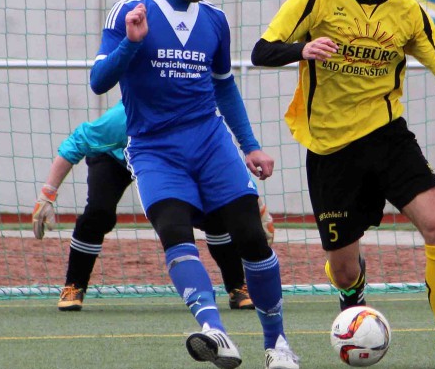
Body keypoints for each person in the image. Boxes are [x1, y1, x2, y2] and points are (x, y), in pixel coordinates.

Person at [251, 0, 435, 369]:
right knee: (343, 266)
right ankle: (353, 299)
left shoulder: (409, 11)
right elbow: (263, 50)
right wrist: (301, 49)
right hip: (330, 148)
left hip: (387, 137)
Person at [89, 0, 298, 369]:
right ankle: (213, 329)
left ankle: (276, 342)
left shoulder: (215, 21)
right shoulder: (130, 11)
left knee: (250, 236)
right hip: (154, 150)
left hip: (211, 144)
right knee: (175, 232)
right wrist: (131, 43)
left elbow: (225, 89)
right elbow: (99, 82)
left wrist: (252, 146)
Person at [29, 101, 274, 311]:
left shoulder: (192, 117)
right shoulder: (122, 119)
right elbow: (74, 144)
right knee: (99, 213)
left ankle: (236, 287)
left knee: (214, 215)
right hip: (114, 158)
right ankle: (74, 286)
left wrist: (255, 206)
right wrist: (46, 196)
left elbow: (220, 163)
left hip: (165, 160)